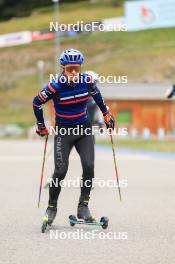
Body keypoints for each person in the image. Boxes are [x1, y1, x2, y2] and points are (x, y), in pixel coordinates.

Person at [32, 49, 115, 224]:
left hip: (84, 130)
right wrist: (41, 125)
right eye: (70, 69)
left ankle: (83, 206)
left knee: (89, 165)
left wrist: (106, 114)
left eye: (77, 68)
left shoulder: (87, 81)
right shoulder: (55, 86)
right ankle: (51, 207)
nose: (74, 72)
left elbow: (97, 96)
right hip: (64, 132)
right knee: (60, 171)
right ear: (63, 68)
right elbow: (36, 102)